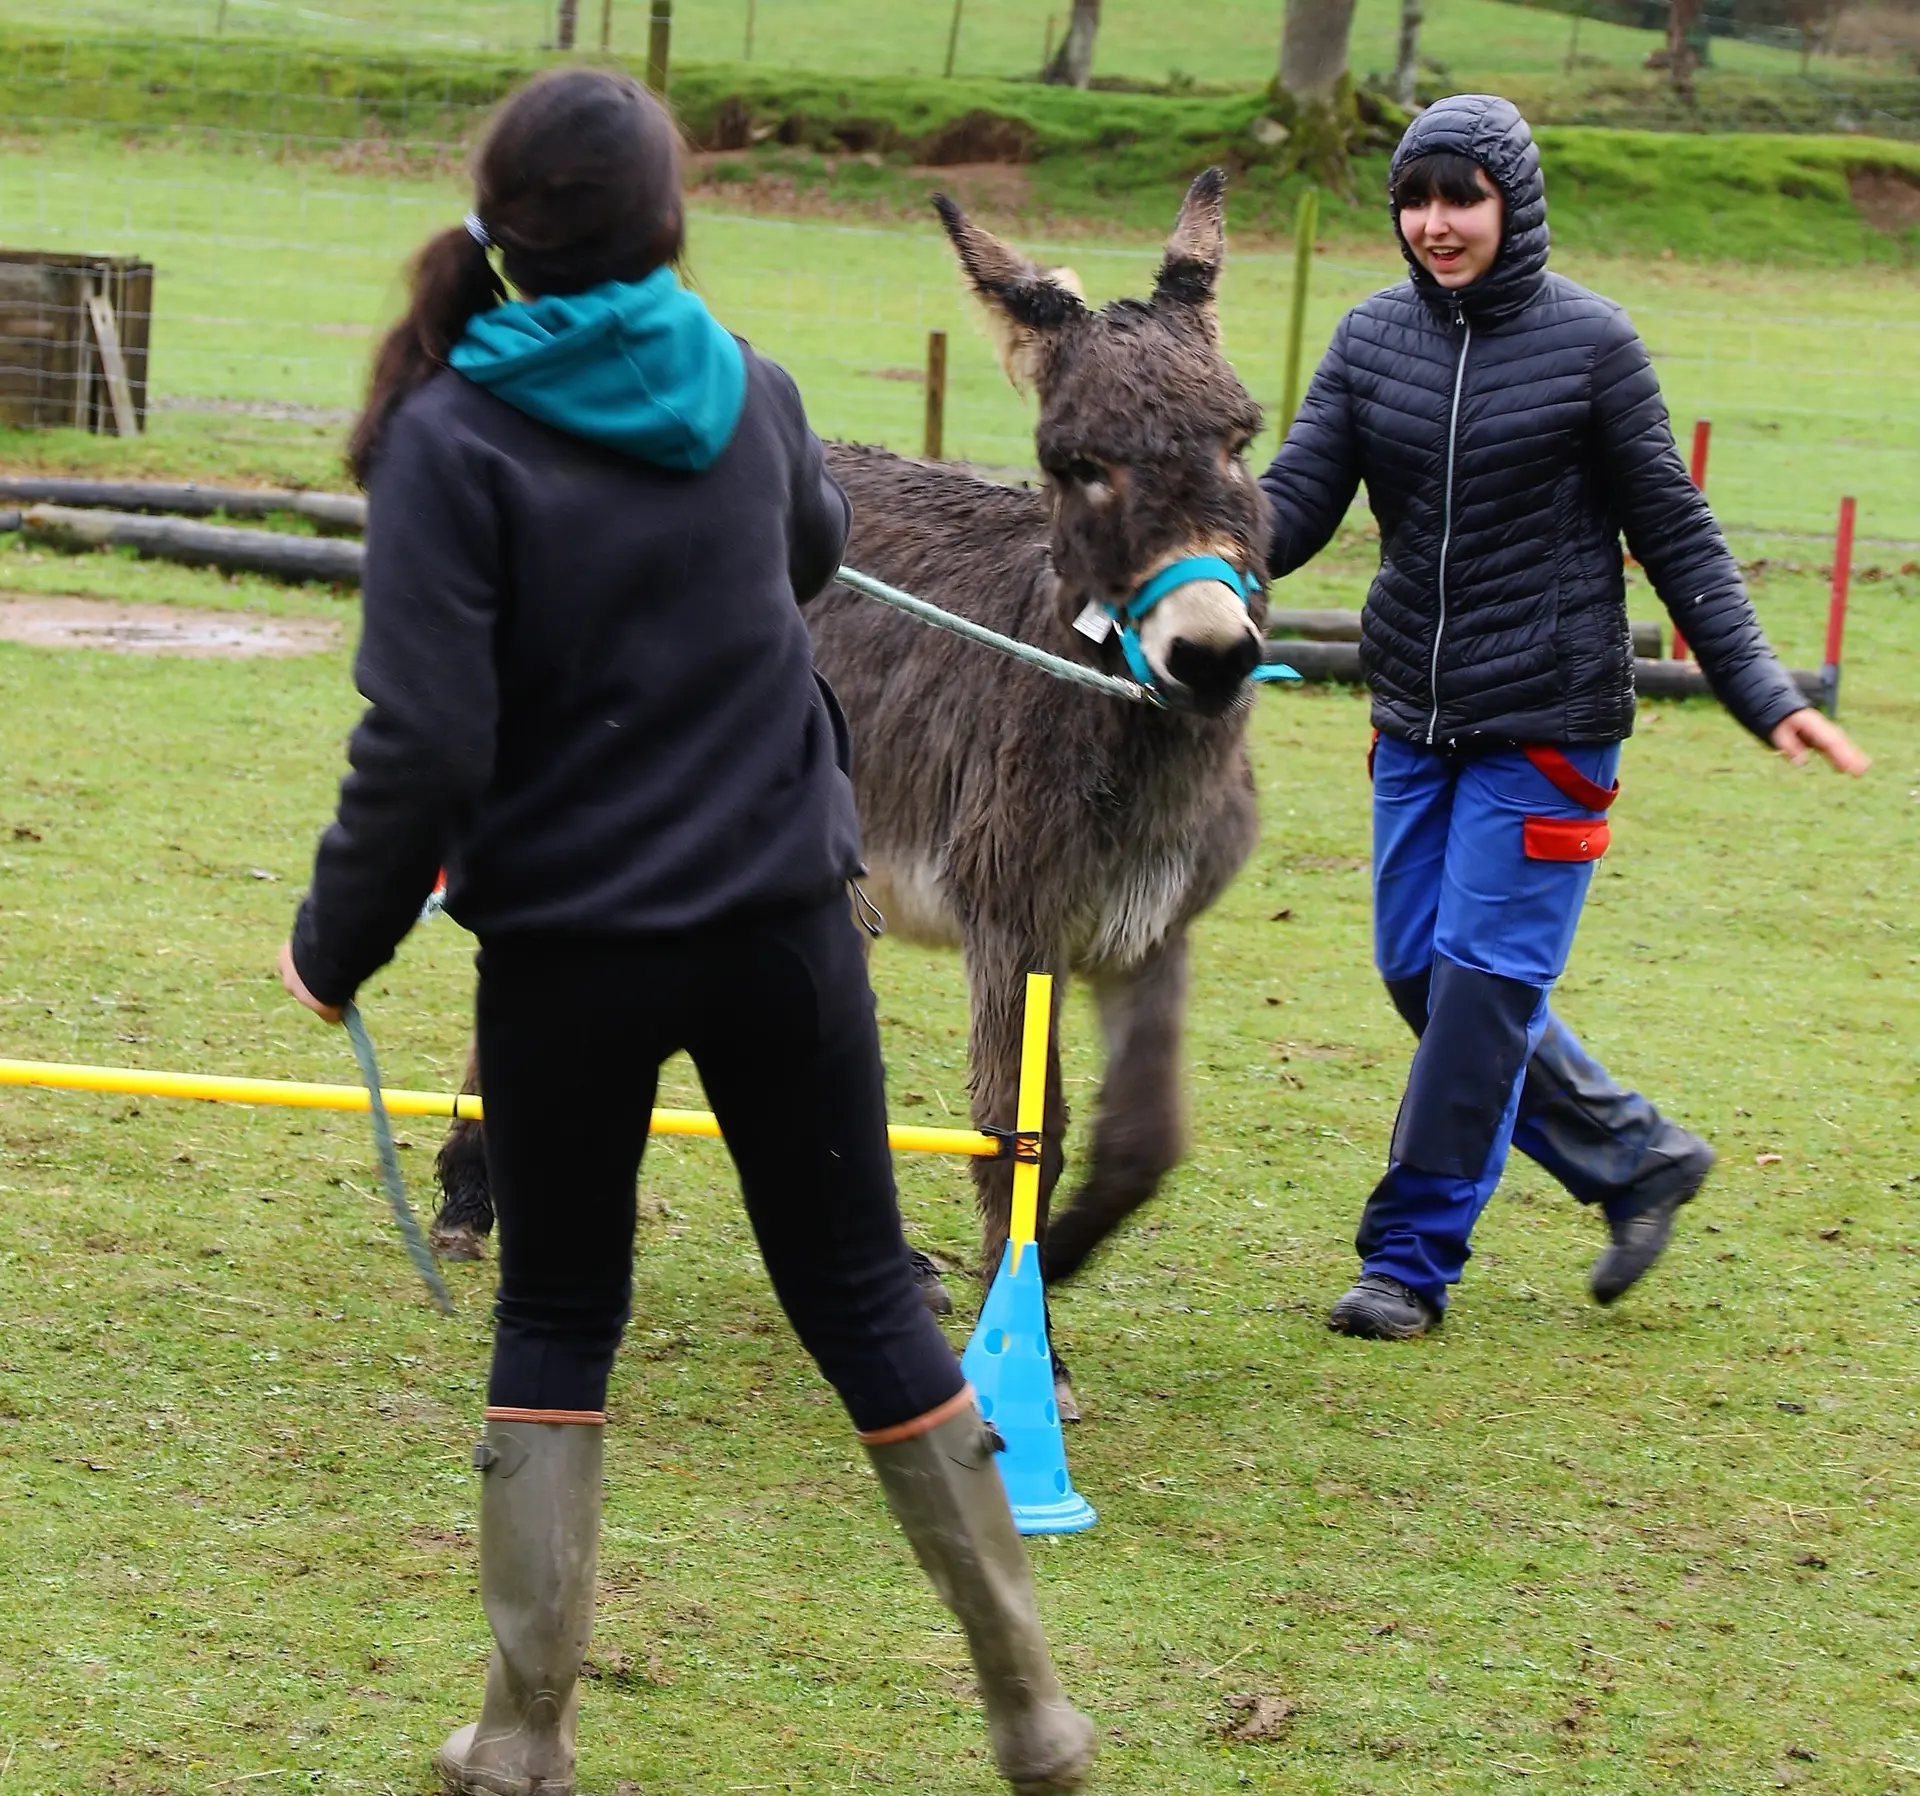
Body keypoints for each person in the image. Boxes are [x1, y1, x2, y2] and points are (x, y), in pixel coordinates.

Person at [275, 68, 1095, 1796]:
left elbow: (418, 737)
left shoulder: (449, 431)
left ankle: (520, 1739)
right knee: (867, 1296)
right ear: (670, 222)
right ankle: (1034, 1711)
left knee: (562, 1309)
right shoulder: (748, 384)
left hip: (572, 939)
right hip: (789, 916)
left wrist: (334, 939)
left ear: (499, 226)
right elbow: (812, 540)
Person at [1259, 94, 1867, 1341]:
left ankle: (1409, 1261)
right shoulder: (1372, 338)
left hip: (1547, 722)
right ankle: (1634, 1153)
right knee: (1419, 972)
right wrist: (1159, 577)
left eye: (1460, 197)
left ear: (1512, 204)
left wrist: (1764, 693)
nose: (1434, 223)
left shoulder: (1593, 342)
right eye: (1416, 198)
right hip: (1413, 720)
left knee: (1479, 989)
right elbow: (1290, 508)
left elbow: (1675, 527)